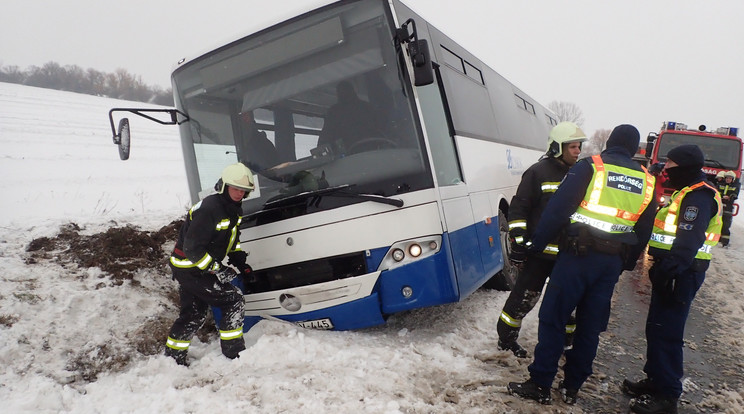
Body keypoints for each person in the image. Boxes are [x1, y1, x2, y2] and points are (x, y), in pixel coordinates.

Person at [507, 124, 658, 405]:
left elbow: (558, 209)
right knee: (589, 326)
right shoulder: (647, 180)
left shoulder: (592, 167)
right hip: (610, 264)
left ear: (609, 142)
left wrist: (536, 244)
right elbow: (644, 229)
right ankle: (572, 387)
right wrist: (625, 262)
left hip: (576, 258)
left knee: (554, 319)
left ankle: (540, 383)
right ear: (635, 148)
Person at [623, 145, 723, 414]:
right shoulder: (687, 191)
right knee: (656, 328)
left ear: (685, 167)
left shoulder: (699, 197)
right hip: (673, 269)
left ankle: (667, 396)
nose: (665, 171)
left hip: (682, 273)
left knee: (667, 333)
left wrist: (669, 272)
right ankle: (655, 380)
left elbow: (688, 241)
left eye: (670, 166)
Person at [497, 121, 586, 358]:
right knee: (522, 299)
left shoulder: (581, 174)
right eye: (573, 147)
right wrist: (518, 243)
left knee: (568, 303)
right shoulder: (537, 172)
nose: (578, 151)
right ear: (557, 147)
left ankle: (568, 343)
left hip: (567, 255)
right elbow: (519, 210)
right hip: (538, 254)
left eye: (579, 147)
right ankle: (506, 341)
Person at [164, 162, 255, 366]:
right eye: (236, 188)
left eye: (243, 190)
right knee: (233, 299)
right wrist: (217, 269)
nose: (239, 193)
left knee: (193, 315)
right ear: (224, 186)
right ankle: (234, 354)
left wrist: (241, 262)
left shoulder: (233, 209)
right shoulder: (210, 209)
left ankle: (172, 360)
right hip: (189, 267)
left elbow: (231, 239)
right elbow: (192, 249)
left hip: (197, 266)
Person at [317, 81, 382, 154]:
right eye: (341, 92)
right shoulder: (334, 112)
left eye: (345, 91)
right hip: (352, 157)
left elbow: (379, 131)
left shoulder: (334, 112)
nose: (344, 94)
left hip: (369, 154)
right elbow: (325, 137)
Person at [716, 170, 739, 246]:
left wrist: (730, 197)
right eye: (727, 178)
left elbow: (735, 194)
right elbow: (717, 192)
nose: (728, 179)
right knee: (717, 223)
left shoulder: (735, 186)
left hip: (728, 208)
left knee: (726, 225)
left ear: (733, 179)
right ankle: (717, 239)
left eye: (729, 178)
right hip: (719, 207)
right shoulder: (720, 184)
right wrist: (722, 196)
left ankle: (725, 242)